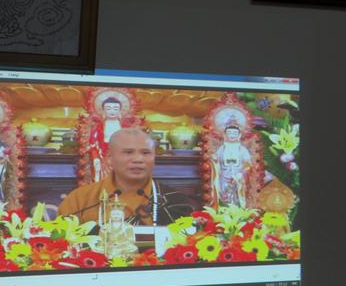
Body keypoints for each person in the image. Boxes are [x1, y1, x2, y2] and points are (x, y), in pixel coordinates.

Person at [58, 128, 195, 226]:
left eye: (146, 153)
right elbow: (60, 244)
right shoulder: (80, 200)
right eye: (128, 152)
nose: (138, 159)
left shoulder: (175, 201)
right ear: (109, 158)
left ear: (154, 159)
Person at [210, 124, 252, 208]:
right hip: (224, 178)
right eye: (229, 133)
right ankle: (224, 211)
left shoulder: (243, 150)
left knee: (237, 198)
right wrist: (214, 160)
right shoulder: (221, 149)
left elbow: (248, 164)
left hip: (238, 178)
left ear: (239, 135)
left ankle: (239, 211)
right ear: (225, 135)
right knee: (224, 196)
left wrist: (240, 173)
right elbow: (216, 162)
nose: (232, 135)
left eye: (235, 133)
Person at [88, 97, 125, 182]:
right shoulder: (98, 128)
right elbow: (93, 147)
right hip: (104, 158)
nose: (112, 111)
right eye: (108, 109)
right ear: (103, 111)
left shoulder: (125, 128)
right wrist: (96, 158)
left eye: (115, 109)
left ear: (120, 111)